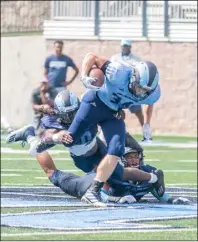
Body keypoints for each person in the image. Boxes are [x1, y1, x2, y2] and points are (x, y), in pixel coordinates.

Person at [7, 91, 163, 203]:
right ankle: (29, 135)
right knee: (40, 148)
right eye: (67, 115)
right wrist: (56, 136)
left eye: (74, 113)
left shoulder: (89, 111)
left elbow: (106, 110)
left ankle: (155, 177)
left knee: (118, 172)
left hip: (96, 146)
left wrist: (116, 112)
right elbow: (46, 136)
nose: (72, 118)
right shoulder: (54, 121)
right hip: (81, 158)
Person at [57, 51, 161, 205]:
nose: (140, 93)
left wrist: (146, 123)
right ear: (132, 77)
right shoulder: (119, 72)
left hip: (113, 114)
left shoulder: (152, 94)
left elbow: (149, 102)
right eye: (139, 87)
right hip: (94, 104)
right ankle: (40, 136)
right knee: (69, 140)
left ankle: (93, 191)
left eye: (145, 91)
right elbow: (91, 56)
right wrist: (85, 76)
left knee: (117, 148)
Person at [111, 39, 154, 142]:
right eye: (123, 46)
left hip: (132, 89)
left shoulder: (136, 59)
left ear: (130, 47)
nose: (125, 48)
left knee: (139, 111)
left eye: (126, 46)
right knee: (113, 111)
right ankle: (112, 133)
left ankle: (146, 131)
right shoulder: (115, 58)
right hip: (118, 89)